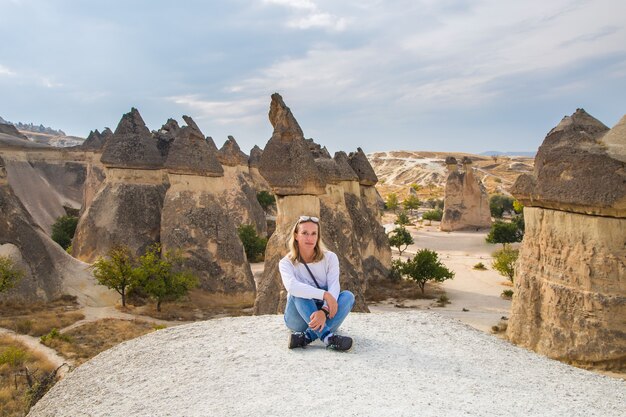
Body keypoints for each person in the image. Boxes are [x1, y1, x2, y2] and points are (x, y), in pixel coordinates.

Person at [279, 215, 355, 351]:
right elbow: (292, 287)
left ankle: (306, 337)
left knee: (348, 296)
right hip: (297, 319)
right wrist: (325, 295)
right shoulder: (286, 262)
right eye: (304, 233)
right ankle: (328, 337)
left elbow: (334, 285)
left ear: (318, 236)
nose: (310, 238)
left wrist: (324, 311)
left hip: (325, 316)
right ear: (296, 235)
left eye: (314, 233)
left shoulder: (330, 258)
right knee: (298, 292)